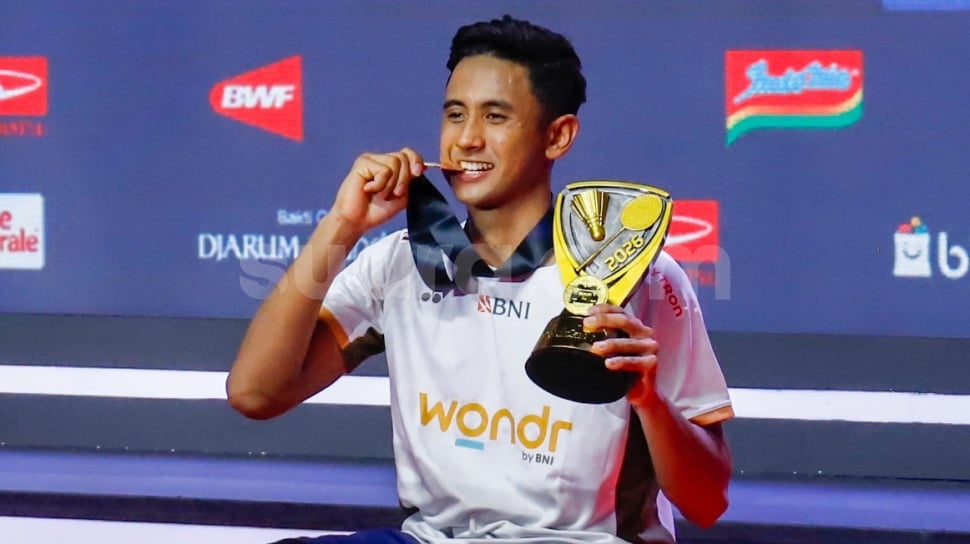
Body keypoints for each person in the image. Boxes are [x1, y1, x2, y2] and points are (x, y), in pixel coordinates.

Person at [227, 15, 733, 544]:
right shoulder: (399, 262)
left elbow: (707, 503)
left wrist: (648, 400)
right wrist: (342, 223)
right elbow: (254, 394)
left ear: (557, 136)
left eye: (495, 117)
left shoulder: (635, 277)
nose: (467, 139)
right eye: (455, 115)